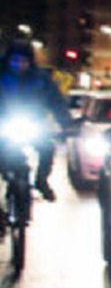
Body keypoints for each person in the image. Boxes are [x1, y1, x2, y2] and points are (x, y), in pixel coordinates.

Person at [0, 40, 75, 201]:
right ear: (8, 60)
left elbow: (56, 102)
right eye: (15, 60)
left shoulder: (41, 80)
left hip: (34, 124)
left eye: (23, 61)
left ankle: (41, 181)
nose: (19, 65)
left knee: (47, 148)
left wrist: (66, 123)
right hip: (2, 126)